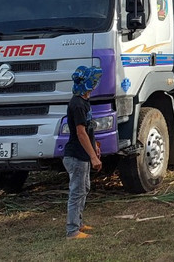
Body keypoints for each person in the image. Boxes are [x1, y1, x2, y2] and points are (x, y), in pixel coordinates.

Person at [64, 65, 103, 240]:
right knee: (77, 191)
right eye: (93, 82)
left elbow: (88, 130)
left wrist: (94, 145)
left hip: (83, 154)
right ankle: (72, 230)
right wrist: (93, 157)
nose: (95, 85)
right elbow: (80, 132)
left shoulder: (85, 102)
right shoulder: (77, 104)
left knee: (84, 187)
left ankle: (79, 223)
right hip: (76, 155)